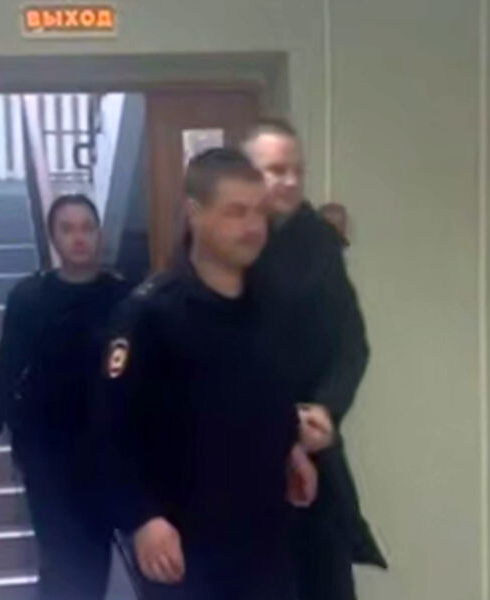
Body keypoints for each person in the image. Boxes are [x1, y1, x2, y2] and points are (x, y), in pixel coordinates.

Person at [99, 148, 318, 600]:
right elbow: (109, 432)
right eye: (236, 212)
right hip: (185, 552)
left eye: (259, 212)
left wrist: (291, 449)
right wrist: (142, 519)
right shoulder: (149, 314)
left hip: (265, 545)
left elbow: (265, 397)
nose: (253, 227)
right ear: (195, 214)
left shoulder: (272, 308)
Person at [243, 119, 387, 600]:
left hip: (313, 441)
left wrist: (326, 409)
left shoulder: (318, 242)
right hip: (242, 449)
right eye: (274, 170)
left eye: (296, 171)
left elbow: (352, 345)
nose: (287, 181)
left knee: (324, 580)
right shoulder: (224, 243)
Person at [0, 194, 129, 600]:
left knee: (95, 556)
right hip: (45, 449)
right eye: (68, 229)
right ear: (53, 236)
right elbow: (7, 367)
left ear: (99, 234)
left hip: (103, 449)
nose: (79, 238)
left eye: (87, 228)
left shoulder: (124, 297)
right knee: (60, 556)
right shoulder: (29, 297)